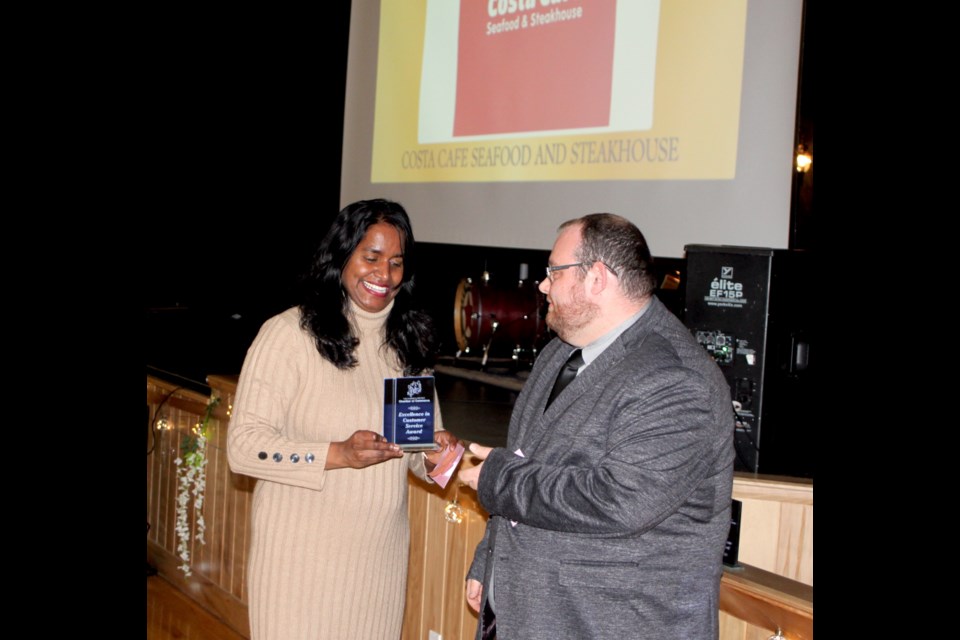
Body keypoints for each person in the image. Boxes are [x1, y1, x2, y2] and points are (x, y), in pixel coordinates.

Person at [459, 213, 734, 639]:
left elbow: (618, 500)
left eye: (554, 272)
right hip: (529, 616)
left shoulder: (675, 378)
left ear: (598, 279)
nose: (543, 284)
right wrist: (489, 560)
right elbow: (527, 461)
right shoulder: (559, 354)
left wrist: (498, 480)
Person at [227, 198, 458, 640]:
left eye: (395, 263)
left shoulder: (408, 345)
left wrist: (438, 456)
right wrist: (338, 454)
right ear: (341, 256)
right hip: (298, 567)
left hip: (378, 569)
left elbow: (416, 455)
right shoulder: (288, 334)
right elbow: (243, 448)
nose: (384, 275)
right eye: (371, 258)